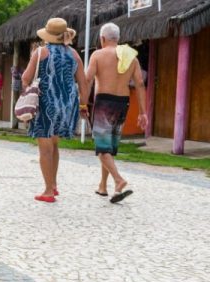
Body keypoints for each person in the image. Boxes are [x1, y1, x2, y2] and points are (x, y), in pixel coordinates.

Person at [22, 18, 89, 203]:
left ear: (48, 35)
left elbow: (26, 77)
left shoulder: (40, 52)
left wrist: (28, 89)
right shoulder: (74, 54)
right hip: (67, 106)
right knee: (54, 144)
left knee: (45, 148)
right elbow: (83, 83)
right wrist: (83, 105)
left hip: (46, 104)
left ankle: (48, 191)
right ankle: (53, 184)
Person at [85, 23, 145, 203]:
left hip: (104, 102)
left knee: (102, 148)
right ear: (117, 38)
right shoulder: (131, 57)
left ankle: (119, 181)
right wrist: (143, 113)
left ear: (102, 39)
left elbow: (88, 80)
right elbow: (140, 84)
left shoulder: (98, 55)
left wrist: (82, 103)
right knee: (108, 147)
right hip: (123, 103)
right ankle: (103, 186)